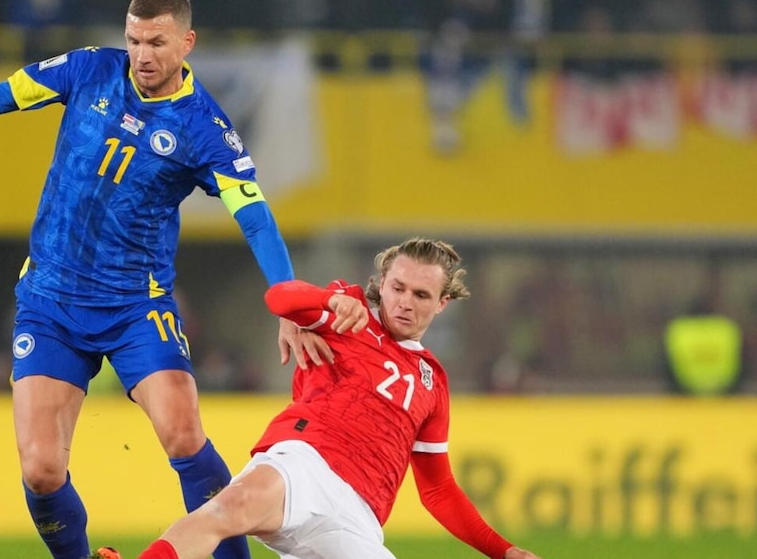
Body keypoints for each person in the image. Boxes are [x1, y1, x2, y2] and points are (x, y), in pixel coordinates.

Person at [0, 0, 343, 559]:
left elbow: (255, 219)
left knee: (183, 434)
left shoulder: (206, 128)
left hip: (136, 305)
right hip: (50, 299)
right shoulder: (86, 70)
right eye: (132, 40)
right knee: (42, 472)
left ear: (186, 42)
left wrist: (292, 304)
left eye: (156, 42)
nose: (142, 54)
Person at [136, 238, 541, 559]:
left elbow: (438, 489)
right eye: (397, 287)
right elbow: (279, 299)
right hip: (305, 462)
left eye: (421, 294)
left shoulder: (432, 381)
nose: (404, 301)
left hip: (357, 519)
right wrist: (326, 300)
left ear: (442, 303)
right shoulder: (350, 312)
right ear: (382, 283)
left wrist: (503, 550)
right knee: (230, 507)